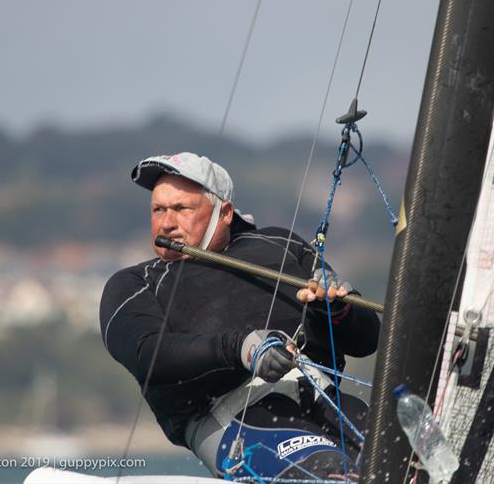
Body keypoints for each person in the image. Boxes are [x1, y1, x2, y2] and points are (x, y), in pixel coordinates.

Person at [99, 152, 381, 481]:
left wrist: (336, 310)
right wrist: (242, 349)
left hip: (325, 398)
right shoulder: (134, 283)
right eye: (158, 209)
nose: (166, 223)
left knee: (412, 460)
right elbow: (147, 354)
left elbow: (367, 341)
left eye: (181, 209)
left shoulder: (282, 243)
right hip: (235, 414)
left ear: (225, 212)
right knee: (331, 473)